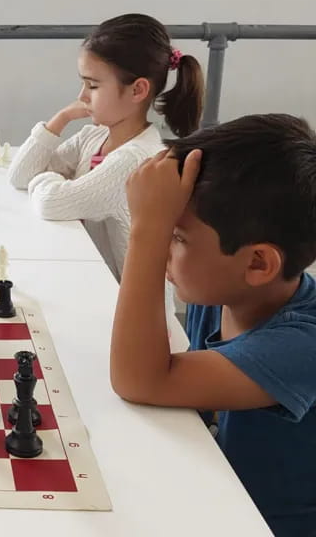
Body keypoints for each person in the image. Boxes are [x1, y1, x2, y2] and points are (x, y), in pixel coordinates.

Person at [111, 114, 316, 536]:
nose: (165, 247)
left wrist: (147, 231)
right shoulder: (225, 294)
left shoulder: (303, 344)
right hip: (216, 495)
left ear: (257, 263)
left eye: (178, 237)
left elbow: (141, 379)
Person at [7, 13, 204, 281]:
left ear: (137, 90)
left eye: (93, 85)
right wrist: (60, 120)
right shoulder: (94, 137)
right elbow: (19, 175)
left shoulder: (136, 161)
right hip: (95, 284)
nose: (82, 96)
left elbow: (52, 202)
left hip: (127, 310)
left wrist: (54, 180)